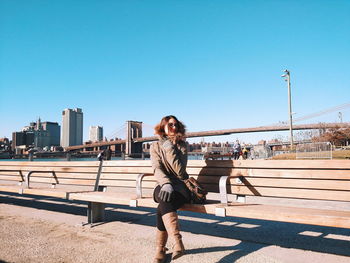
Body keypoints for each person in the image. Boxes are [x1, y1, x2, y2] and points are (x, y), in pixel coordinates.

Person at [150, 115, 190, 263]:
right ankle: (177, 241)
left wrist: (169, 147)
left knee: (163, 203)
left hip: (180, 187)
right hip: (163, 185)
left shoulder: (182, 145)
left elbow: (180, 172)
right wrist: (166, 183)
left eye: (176, 125)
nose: (174, 127)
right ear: (163, 128)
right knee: (164, 196)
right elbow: (157, 168)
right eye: (170, 125)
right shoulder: (154, 146)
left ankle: (160, 249)